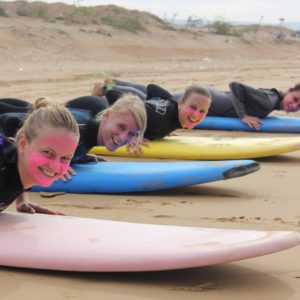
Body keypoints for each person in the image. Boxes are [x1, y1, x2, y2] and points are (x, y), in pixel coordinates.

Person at [0, 94, 147, 179]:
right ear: (107, 116)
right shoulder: (76, 128)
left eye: (131, 134)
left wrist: (78, 157)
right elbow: (9, 121)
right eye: (121, 127)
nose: (122, 138)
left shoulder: (88, 135)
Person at [93, 79, 300, 131]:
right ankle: (107, 88)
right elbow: (236, 86)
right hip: (210, 99)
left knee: (157, 96)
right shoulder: (270, 99)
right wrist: (243, 115)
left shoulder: (271, 100)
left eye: (299, 106)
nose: (294, 105)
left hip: (213, 99)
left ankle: (111, 87)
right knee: (156, 99)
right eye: (296, 99)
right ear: (289, 90)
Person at [0, 98, 79, 214]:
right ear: (22, 144)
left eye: (65, 158)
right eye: (47, 152)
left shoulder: (24, 170)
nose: (55, 166)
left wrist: (21, 198)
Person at [93, 80, 212, 140]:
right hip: (103, 106)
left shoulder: (172, 104)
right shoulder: (157, 120)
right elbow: (113, 95)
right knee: (108, 92)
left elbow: (152, 88)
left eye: (202, 111)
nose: (196, 114)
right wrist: (132, 134)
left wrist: (150, 102)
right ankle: (101, 87)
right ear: (180, 102)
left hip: (144, 105)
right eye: (192, 107)